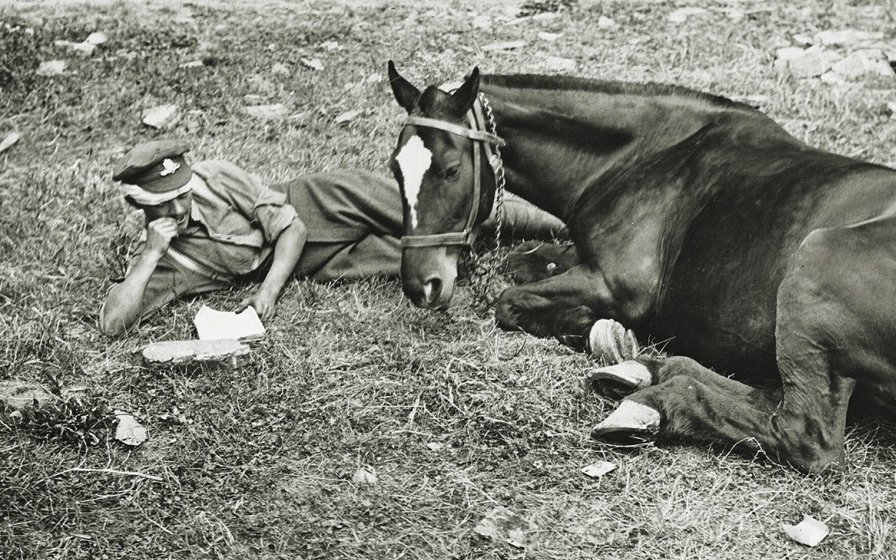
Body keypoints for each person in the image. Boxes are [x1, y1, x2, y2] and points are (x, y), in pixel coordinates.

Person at [99, 139, 566, 336]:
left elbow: (291, 226)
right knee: (430, 253)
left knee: (436, 212)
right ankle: (549, 255)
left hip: (318, 201)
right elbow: (112, 325)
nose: (180, 208)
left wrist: (267, 294)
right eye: (165, 204)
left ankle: (563, 220)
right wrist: (148, 257)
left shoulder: (214, 176)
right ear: (139, 204)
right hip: (315, 262)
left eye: (183, 194)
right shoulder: (166, 260)